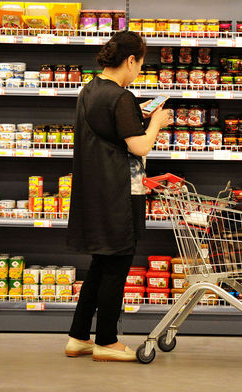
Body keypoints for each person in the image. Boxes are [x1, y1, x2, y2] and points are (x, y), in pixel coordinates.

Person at [65, 31, 172, 362]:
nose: (140, 70)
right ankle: (107, 341)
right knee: (117, 265)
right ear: (130, 61)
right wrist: (156, 122)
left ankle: (79, 336)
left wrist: (136, 114)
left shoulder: (90, 90)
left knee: (100, 264)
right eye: (140, 64)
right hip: (118, 194)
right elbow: (139, 146)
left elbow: (108, 129)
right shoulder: (121, 97)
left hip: (94, 191)